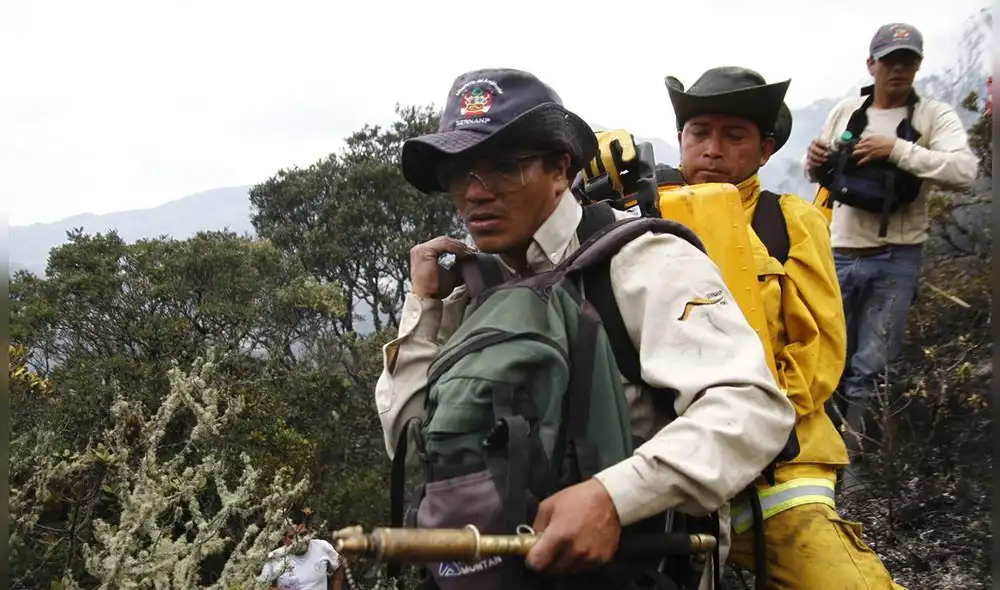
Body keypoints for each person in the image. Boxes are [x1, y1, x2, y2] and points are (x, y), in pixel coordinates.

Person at [374, 67, 795, 589]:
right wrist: (425, 310)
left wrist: (614, 496)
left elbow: (750, 409)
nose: (474, 193)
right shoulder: (470, 293)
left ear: (559, 168)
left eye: (503, 167)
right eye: (458, 172)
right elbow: (414, 448)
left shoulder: (642, 260)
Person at [654, 65, 904, 589]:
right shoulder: (642, 218)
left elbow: (820, 355)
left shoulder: (788, 220)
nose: (713, 149)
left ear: (765, 150)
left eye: (734, 135)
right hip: (664, 468)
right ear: (681, 139)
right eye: (700, 132)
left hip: (779, 472)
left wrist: (735, 424)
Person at [805, 23, 977, 483]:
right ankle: (820, 460)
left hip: (896, 258)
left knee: (870, 368)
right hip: (838, 253)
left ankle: (855, 470)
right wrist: (814, 160)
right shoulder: (846, 110)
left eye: (907, 60)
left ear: (918, 65)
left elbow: (964, 169)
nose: (897, 68)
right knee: (828, 361)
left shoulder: (932, 117)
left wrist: (897, 149)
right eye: (889, 59)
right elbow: (819, 177)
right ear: (871, 64)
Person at [258, 524, 345, 590]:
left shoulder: (322, 546)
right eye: (292, 537)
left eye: (303, 534)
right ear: (284, 540)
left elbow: (338, 565)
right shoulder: (275, 556)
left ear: (310, 533)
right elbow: (262, 586)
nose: (298, 540)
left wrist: (337, 584)